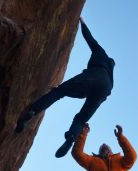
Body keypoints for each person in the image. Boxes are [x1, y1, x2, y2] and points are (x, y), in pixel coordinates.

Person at [15, 17, 115, 158]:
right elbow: (84, 94)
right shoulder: (111, 73)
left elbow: (90, 38)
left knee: (59, 92)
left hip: (95, 75)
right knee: (80, 119)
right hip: (105, 90)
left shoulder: (100, 53)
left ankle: (32, 111)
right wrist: (73, 92)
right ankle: (71, 138)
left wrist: (82, 22)